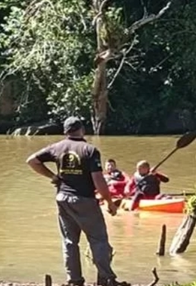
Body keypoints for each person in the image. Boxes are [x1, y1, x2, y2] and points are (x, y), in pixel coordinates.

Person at [26, 117, 129, 286]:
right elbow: (98, 180)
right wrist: (109, 202)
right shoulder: (89, 150)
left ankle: (74, 280)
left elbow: (32, 161)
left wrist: (53, 176)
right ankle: (106, 279)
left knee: (69, 242)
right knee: (98, 239)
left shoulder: (56, 147)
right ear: (82, 130)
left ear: (66, 131)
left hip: (63, 199)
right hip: (85, 200)